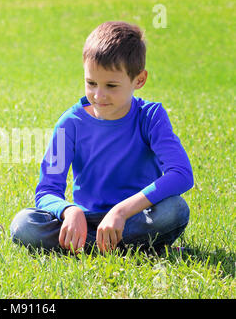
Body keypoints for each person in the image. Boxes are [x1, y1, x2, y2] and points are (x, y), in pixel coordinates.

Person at [10, 21, 194, 254]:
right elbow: (47, 190)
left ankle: (91, 247)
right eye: (91, 83)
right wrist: (70, 211)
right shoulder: (69, 124)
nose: (99, 95)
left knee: (175, 209)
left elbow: (181, 174)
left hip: (135, 218)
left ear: (139, 80)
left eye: (111, 85)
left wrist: (121, 212)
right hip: (85, 222)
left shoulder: (151, 117)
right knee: (24, 224)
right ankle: (127, 247)